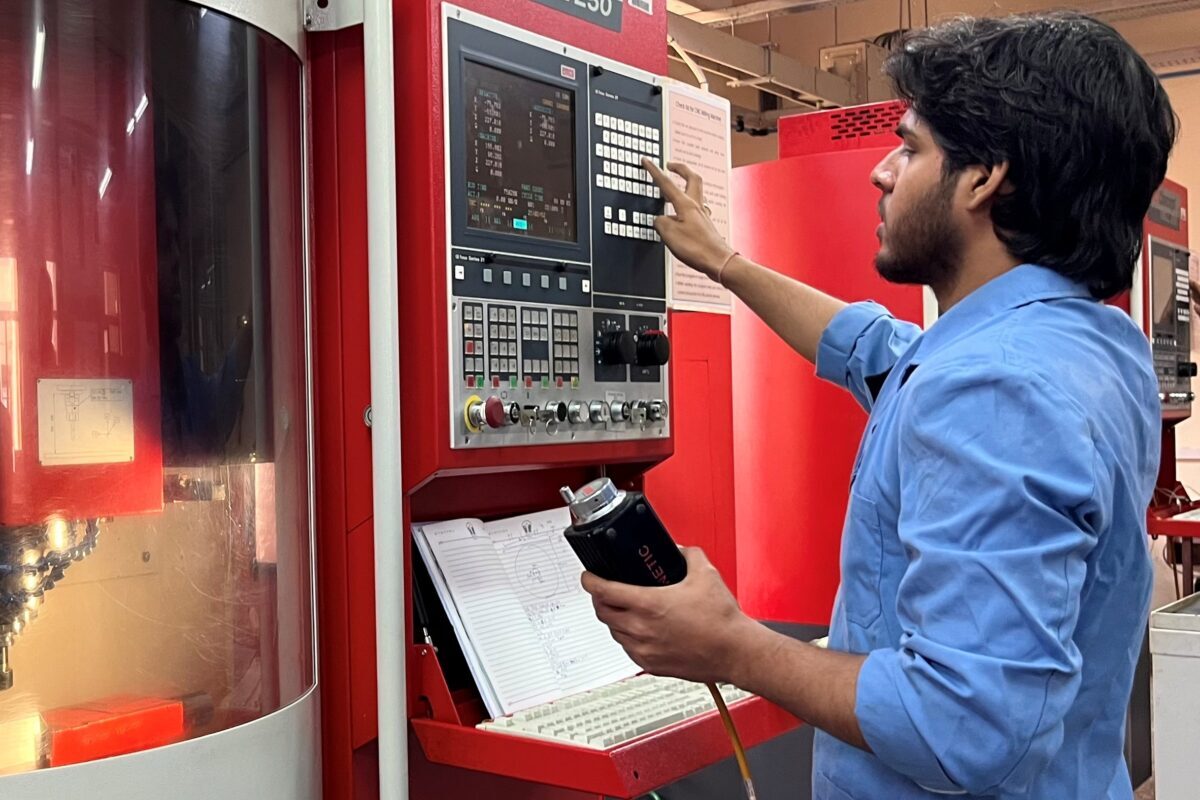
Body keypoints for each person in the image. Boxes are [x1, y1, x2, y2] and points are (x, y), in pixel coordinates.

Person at [582, 13, 1176, 800]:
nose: (884, 172)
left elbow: (960, 725)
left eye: (913, 147)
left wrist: (731, 646)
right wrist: (724, 262)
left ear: (984, 176)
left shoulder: (992, 390)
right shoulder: (1092, 347)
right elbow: (875, 352)